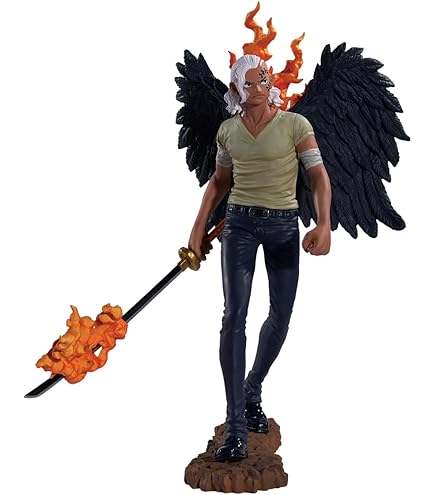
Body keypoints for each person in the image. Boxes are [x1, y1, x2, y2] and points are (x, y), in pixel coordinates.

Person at [188, 53, 332, 461]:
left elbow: (318, 175)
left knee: (280, 316)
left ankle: (253, 387)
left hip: (283, 227)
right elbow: (219, 181)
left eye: (263, 78)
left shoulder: (295, 125)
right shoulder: (228, 131)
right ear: (236, 88)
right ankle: (235, 426)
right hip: (239, 226)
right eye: (249, 82)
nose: (259, 87)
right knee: (233, 317)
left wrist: (323, 223)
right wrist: (198, 227)